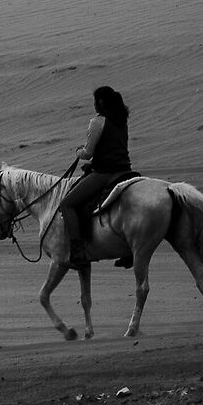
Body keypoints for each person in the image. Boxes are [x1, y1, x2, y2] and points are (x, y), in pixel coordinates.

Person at [58, 85, 135, 269]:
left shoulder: (98, 122)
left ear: (100, 102)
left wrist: (79, 152)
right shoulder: (121, 120)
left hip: (106, 174)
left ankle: (77, 251)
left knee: (66, 204)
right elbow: (112, 149)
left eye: (95, 101)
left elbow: (89, 152)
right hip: (125, 171)